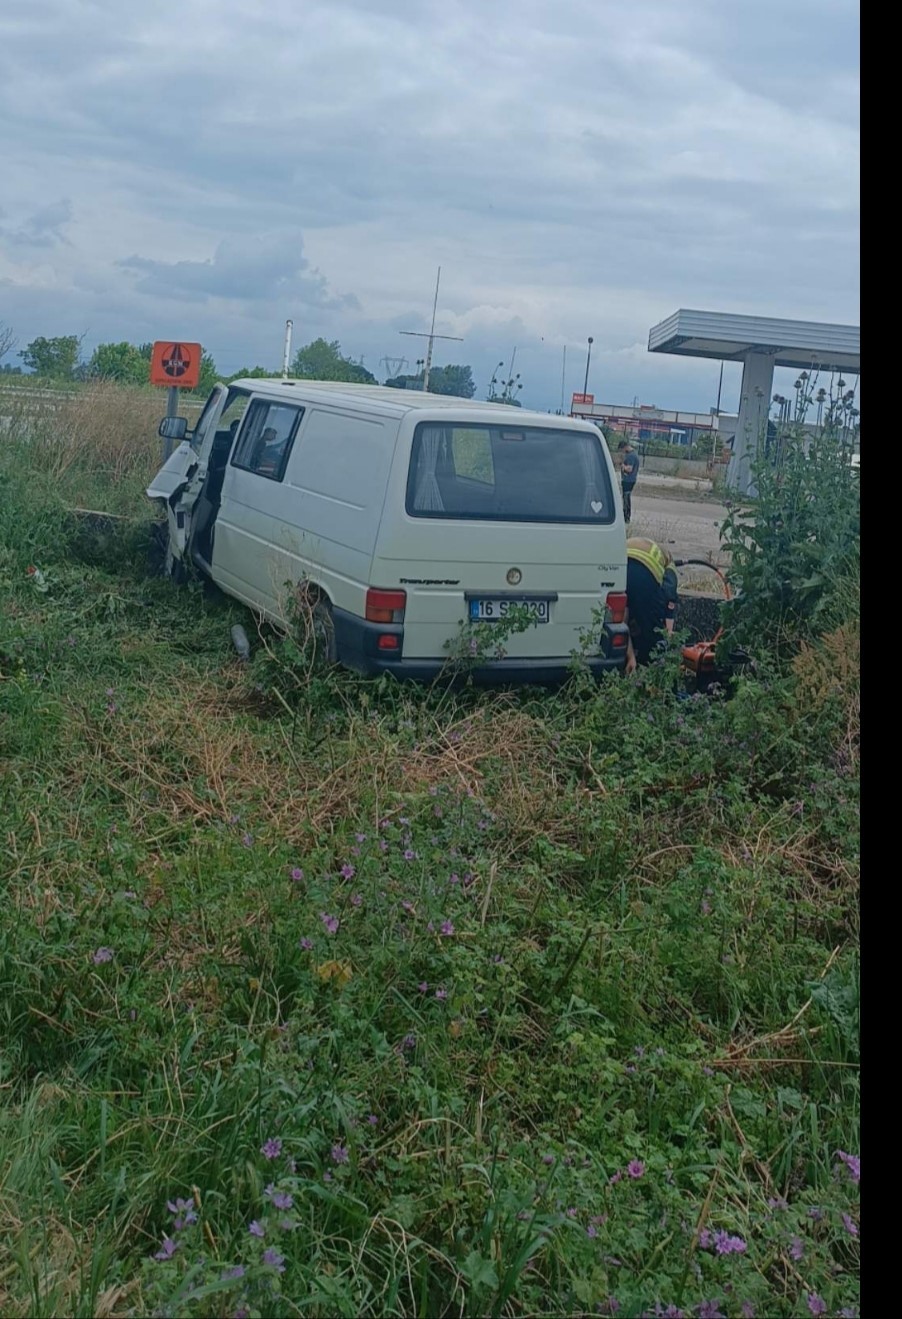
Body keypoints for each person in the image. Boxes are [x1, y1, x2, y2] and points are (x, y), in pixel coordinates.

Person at [624, 537, 678, 672]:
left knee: (619, 622)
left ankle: (631, 662)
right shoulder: (670, 565)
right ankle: (655, 671)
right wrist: (668, 632)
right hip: (645, 575)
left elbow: (622, 621)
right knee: (654, 632)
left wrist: (630, 656)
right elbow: (670, 598)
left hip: (621, 568)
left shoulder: (633, 542)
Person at [617, 440, 640, 522]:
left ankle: (626, 516)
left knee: (626, 498)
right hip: (630, 480)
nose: (622, 452)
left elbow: (629, 469)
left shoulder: (631, 456)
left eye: (622, 450)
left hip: (628, 480)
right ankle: (626, 516)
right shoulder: (633, 454)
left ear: (625, 447)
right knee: (626, 497)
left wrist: (622, 465)